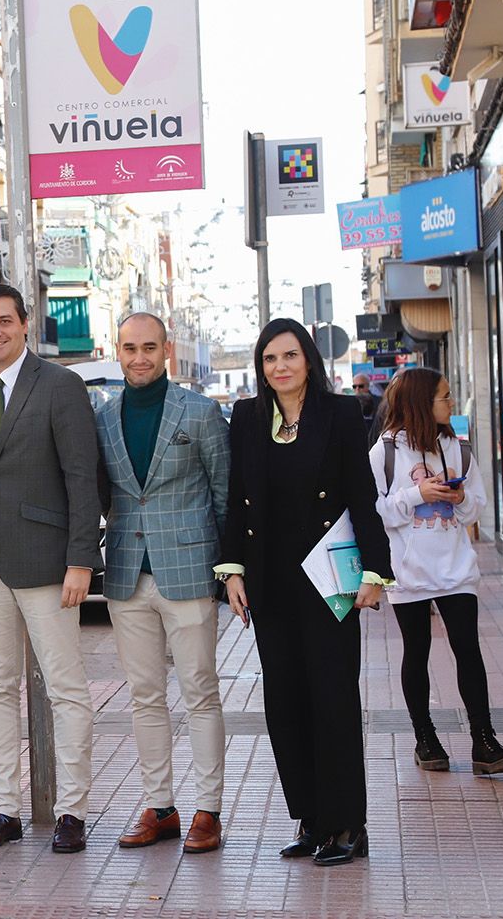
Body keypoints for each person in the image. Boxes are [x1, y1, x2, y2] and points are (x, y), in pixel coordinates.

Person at [217, 319, 391, 867]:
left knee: (333, 699)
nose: (280, 367)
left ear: (309, 361)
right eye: (270, 359)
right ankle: (313, 819)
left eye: (290, 356)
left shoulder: (340, 414)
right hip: (270, 581)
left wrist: (373, 572)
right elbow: (236, 498)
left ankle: (348, 826)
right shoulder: (246, 418)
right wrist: (232, 572)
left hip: (329, 579)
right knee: (285, 703)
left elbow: (363, 498)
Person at [0, 282, 100, 854]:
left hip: (48, 562)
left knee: (66, 688)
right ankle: (3, 807)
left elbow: (82, 479)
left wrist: (81, 560)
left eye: (4, 321)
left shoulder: (61, 386)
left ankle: (72, 812)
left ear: (25, 322)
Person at [95, 313, 230, 854]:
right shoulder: (102, 418)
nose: (139, 357)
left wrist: (225, 571)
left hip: (190, 571)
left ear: (167, 350)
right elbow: (106, 493)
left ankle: (208, 810)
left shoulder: (200, 412)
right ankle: (160, 806)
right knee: (144, 695)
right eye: (130, 348)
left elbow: (223, 495)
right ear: (118, 350)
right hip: (128, 571)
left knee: (200, 691)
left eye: (149, 347)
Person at [369, 368, 503, 777]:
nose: (451, 403)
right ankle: (425, 738)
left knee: (467, 650)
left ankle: (484, 741)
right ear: (421, 401)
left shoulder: (457, 448)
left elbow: (476, 507)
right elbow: (377, 513)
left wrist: (457, 497)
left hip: (456, 568)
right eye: (445, 397)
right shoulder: (384, 453)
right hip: (408, 571)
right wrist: (419, 493)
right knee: (415, 652)